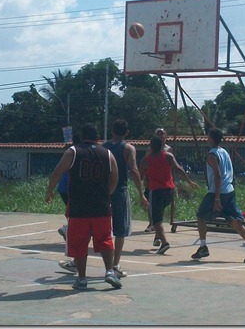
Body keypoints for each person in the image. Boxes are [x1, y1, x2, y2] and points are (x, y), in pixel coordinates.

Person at [45, 123, 121, 290]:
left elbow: (58, 172)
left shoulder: (73, 152)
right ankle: (109, 271)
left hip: (79, 207)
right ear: (97, 136)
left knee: (79, 243)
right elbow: (115, 177)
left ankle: (81, 278)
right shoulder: (107, 154)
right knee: (105, 240)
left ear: (81, 135)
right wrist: (105, 194)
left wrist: (49, 190)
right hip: (101, 206)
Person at [191, 128, 245, 263]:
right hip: (229, 190)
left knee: (201, 216)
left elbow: (218, 176)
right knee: (235, 221)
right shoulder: (224, 152)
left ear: (211, 138)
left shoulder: (212, 155)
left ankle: (203, 247)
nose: (207, 138)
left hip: (217, 192)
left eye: (208, 136)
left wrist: (217, 198)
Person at [103, 119, 148, 278]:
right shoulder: (128, 148)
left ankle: (77, 260)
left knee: (99, 227)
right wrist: (141, 193)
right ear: (126, 132)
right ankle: (115, 265)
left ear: (112, 131)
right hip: (120, 191)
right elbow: (134, 171)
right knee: (120, 230)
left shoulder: (104, 147)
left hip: (104, 192)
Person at [140, 137, 198, 255]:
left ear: (150, 147)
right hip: (168, 191)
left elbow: (139, 175)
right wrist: (189, 182)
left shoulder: (146, 160)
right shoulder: (168, 156)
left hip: (156, 192)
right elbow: (179, 169)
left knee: (156, 220)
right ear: (162, 146)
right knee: (159, 216)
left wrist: (141, 190)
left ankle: (164, 243)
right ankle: (158, 237)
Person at [54, 133, 80, 273]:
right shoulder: (77, 153)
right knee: (78, 219)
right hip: (70, 189)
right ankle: (67, 229)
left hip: (64, 188)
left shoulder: (71, 152)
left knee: (75, 216)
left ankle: (68, 228)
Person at [143, 128, 172, 236]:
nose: (160, 135)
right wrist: (145, 178)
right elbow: (145, 164)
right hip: (151, 179)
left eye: (162, 133)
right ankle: (151, 223)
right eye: (158, 133)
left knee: (160, 205)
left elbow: (172, 166)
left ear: (166, 136)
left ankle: (157, 224)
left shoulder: (168, 150)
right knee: (150, 202)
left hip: (163, 181)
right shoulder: (149, 149)